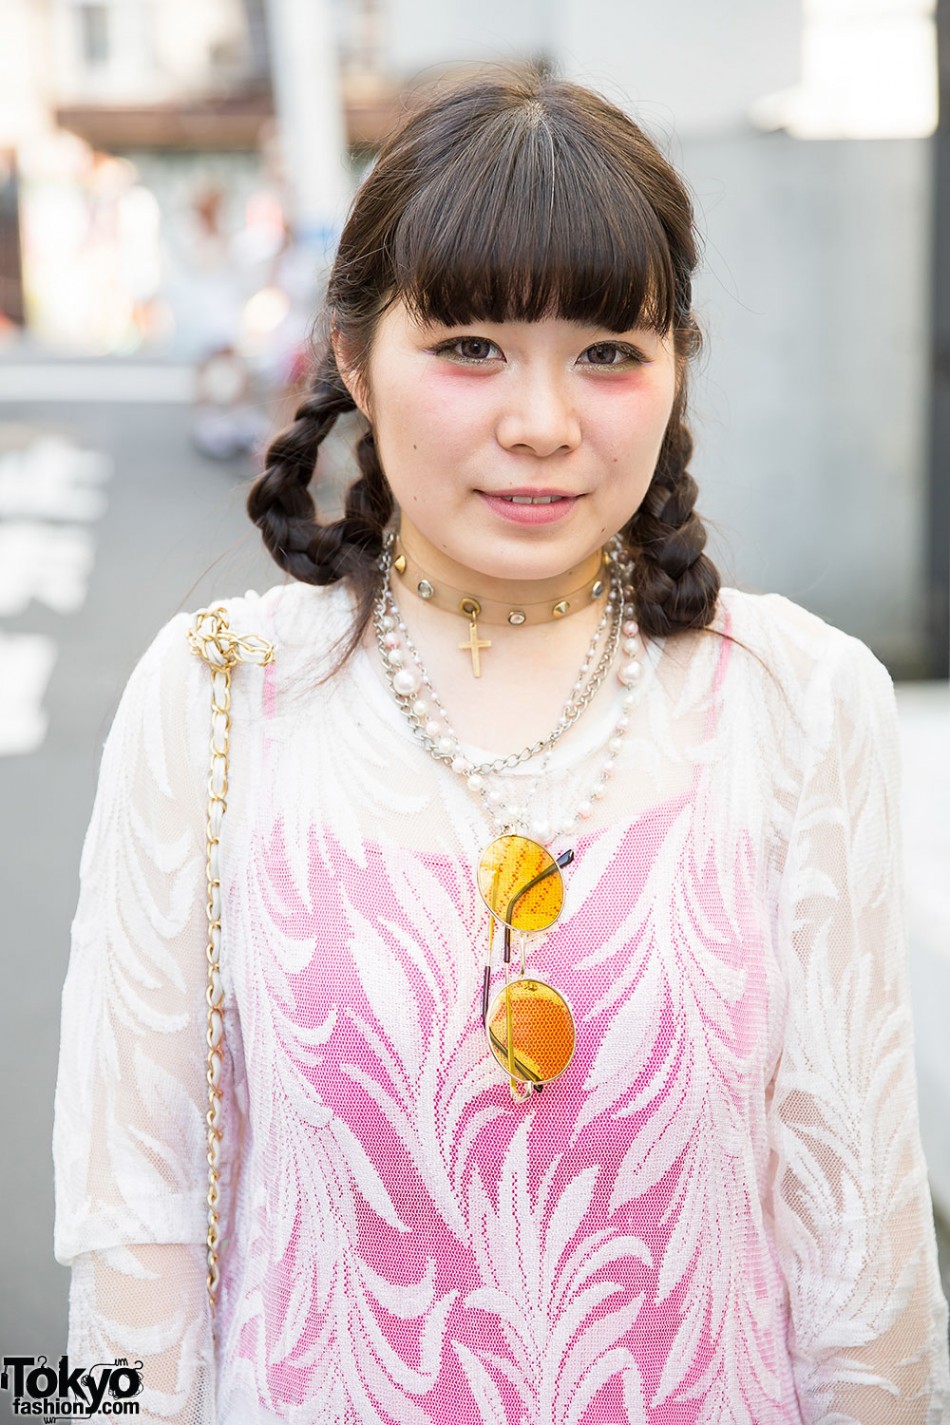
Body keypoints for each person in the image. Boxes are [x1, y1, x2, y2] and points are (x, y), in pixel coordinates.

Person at [52, 70, 950, 1424]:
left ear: (674, 367)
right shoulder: (213, 698)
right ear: (353, 355)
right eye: (470, 344)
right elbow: (131, 1229)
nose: (541, 421)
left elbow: (862, 1255)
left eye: (607, 350)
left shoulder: (801, 700)